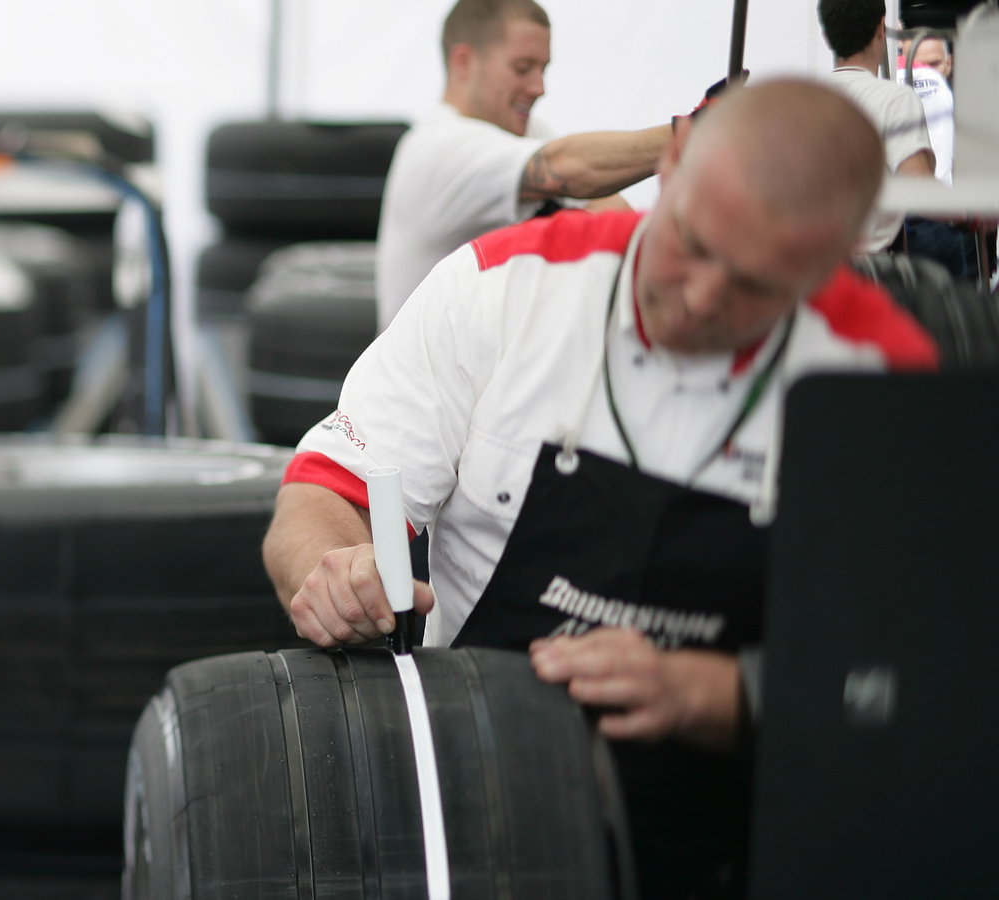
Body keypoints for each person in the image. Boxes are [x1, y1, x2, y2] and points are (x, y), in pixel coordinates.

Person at [262, 79, 938, 898]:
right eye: (693, 243)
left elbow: (906, 674)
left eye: (756, 285)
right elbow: (322, 490)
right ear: (676, 161)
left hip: (740, 824)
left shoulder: (883, 378)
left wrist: (712, 693)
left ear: (839, 256)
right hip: (480, 796)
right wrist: (332, 568)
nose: (701, 299)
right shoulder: (504, 289)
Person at [375, 0, 677, 329]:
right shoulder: (436, 149)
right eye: (522, 68)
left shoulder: (526, 133)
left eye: (543, 69)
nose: (539, 88)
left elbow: (612, 216)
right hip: (428, 379)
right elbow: (566, 168)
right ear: (464, 62)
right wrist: (690, 134)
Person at [820, 0, 936, 253]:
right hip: (862, 271)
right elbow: (921, 190)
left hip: (801, 274)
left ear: (827, 37)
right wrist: (971, 211)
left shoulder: (802, 99)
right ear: (881, 29)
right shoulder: (895, 100)